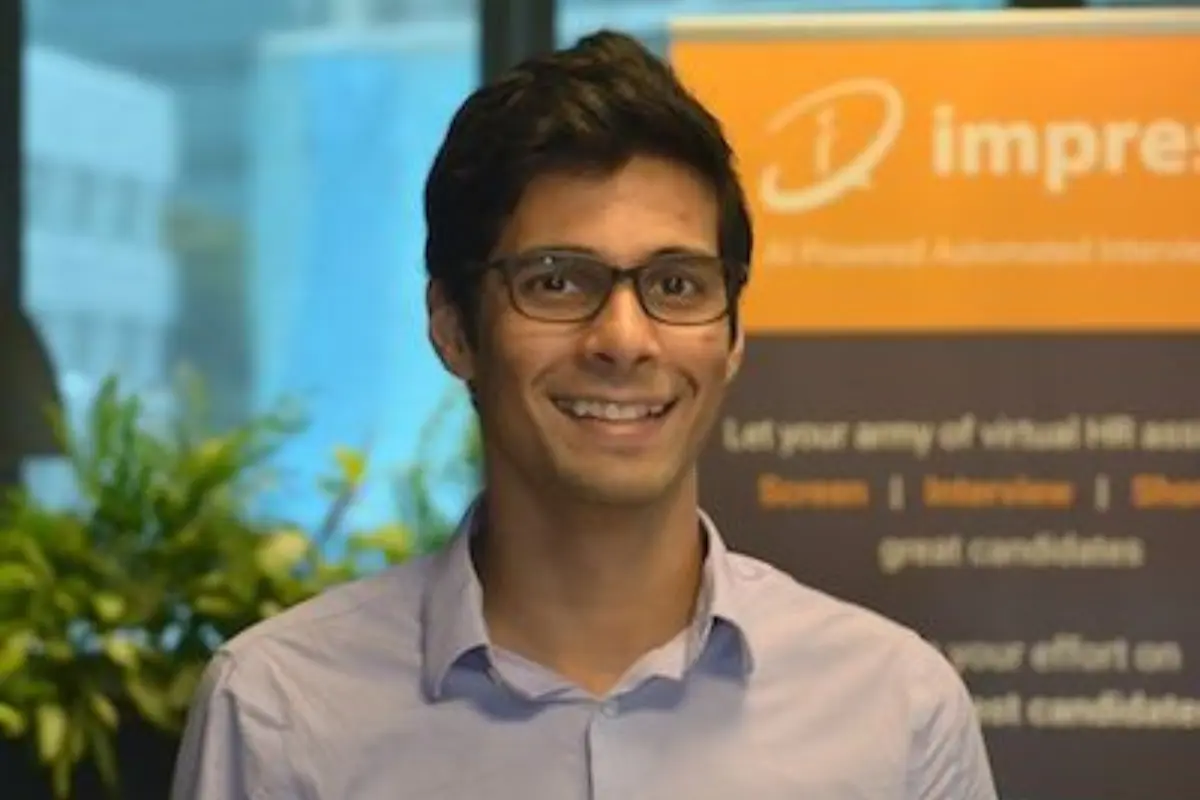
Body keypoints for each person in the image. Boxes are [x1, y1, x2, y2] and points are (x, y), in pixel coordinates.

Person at [170, 30, 998, 800]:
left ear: (733, 334)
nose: (624, 340)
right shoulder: (281, 715)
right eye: (558, 282)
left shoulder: (895, 715)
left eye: (677, 285)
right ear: (454, 328)